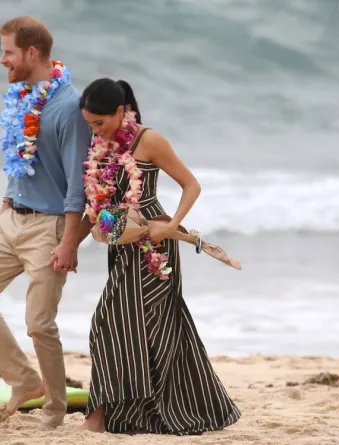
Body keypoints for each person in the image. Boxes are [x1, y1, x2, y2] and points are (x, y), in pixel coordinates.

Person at [77, 78, 241, 435]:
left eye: (99, 122)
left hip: (153, 243)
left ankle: (98, 418)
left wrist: (173, 226)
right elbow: (98, 202)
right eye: (90, 123)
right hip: (122, 241)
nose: (94, 130)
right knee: (141, 327)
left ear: (121, 112)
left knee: (112, 322)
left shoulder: (149, 140)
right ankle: (142, 414)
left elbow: (191, 184)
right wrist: (73, 243)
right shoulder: (101, 142)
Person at [0, 16, 91, 428]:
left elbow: (77, 184)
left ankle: (54, 408)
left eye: (9, 52)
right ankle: (23, 381)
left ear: (32, 53)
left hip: (48, 228)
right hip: (12, 218)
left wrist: (69, 242)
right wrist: (6, 201)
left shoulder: (70, 109)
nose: (4, 61)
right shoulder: (21, 96)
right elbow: (18, 156)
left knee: (39, 324)